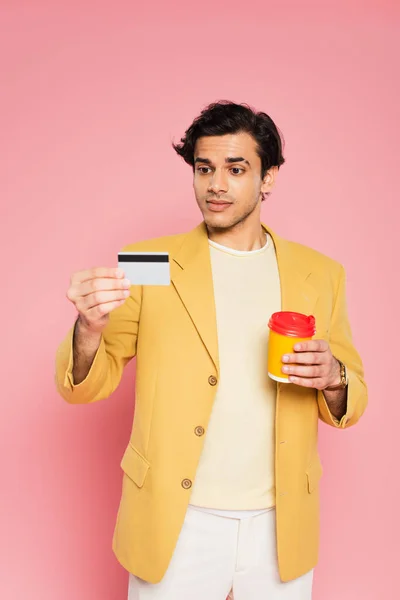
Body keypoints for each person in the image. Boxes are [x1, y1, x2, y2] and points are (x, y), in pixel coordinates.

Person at [55, 101, 368, 600]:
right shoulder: (149, 263)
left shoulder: (321, 273)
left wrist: (333, 377)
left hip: (280, 523)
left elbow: (351, 396)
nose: (216, 184)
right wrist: (89, 327)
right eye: (205, 168)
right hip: (176, 520)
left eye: (236, 169)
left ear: (269, 179)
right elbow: (90, 383)